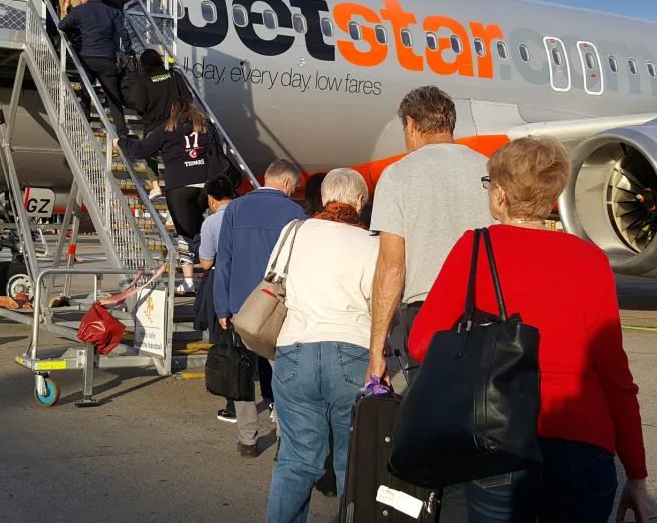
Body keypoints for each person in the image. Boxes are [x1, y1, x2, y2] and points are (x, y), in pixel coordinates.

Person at [408, 137, 652, 523]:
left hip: (496, 437)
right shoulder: (591, 260)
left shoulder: (475, 247)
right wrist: (636, 476)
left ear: (500, 195)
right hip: (582, 442)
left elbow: (422, 343)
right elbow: (616, 377)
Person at [266, 169, 379, 522]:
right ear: (360, 201)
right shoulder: (372, 243)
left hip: (295, 349)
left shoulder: (294, 231)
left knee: (297, 460)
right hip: (352, 351)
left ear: (325, 197)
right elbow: (381, 304)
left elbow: (272, 278)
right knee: (352, 462)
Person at [368, 85, 492, 384]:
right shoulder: (489, 168)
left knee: (429, 415)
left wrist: (375, 350)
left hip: (428, 311)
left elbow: (392, 267)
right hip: (485, 309)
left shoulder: (399, 174)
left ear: (411, 124)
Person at [215, 158, 307, 457]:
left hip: (240, 304)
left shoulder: (236, 209)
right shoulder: (296, 213)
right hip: (278, 306)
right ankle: (283, 436)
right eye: (294, 186)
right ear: (286, 183)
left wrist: (222, 308)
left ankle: (248, 439)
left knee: (241, 372)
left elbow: (223, 261)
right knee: (282, 372)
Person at [122, 98, 209, 294]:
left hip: (179, 187)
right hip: (204, 185)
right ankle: (209, 272)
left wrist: (121, 141)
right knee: (202, 230)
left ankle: (188, 281)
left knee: (185, 236)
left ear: (173, 110)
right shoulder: (205, 128)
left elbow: (141, 149)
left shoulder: (167, 129)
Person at [58, 0, 129, 142]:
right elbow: (123, 32)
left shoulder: (79, 10)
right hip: (107, 59)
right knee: (113, 96)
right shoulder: (110, 11)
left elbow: (62, 25)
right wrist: (129, 52)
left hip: (88, 58)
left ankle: (85, 119)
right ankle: (122, 132)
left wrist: (77, 31)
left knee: (86, 91)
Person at [195, 175, 237, 423]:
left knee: (225, 343)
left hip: (222, 283)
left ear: (211, 199)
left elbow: (206, 262)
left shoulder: (211, 223)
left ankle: (232, 404)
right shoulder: (245, 214)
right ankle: (272, 400)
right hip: (250, 282)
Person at [126, 48, 191, 201]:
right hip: (176, 124)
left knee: (148, 150)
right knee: (175, 159)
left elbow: (139, 105)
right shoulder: (174, 76)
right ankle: (176, 195)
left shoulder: (143, 81)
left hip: (154, 125)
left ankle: (155, 186)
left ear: (143, 64)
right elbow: (187, 97)